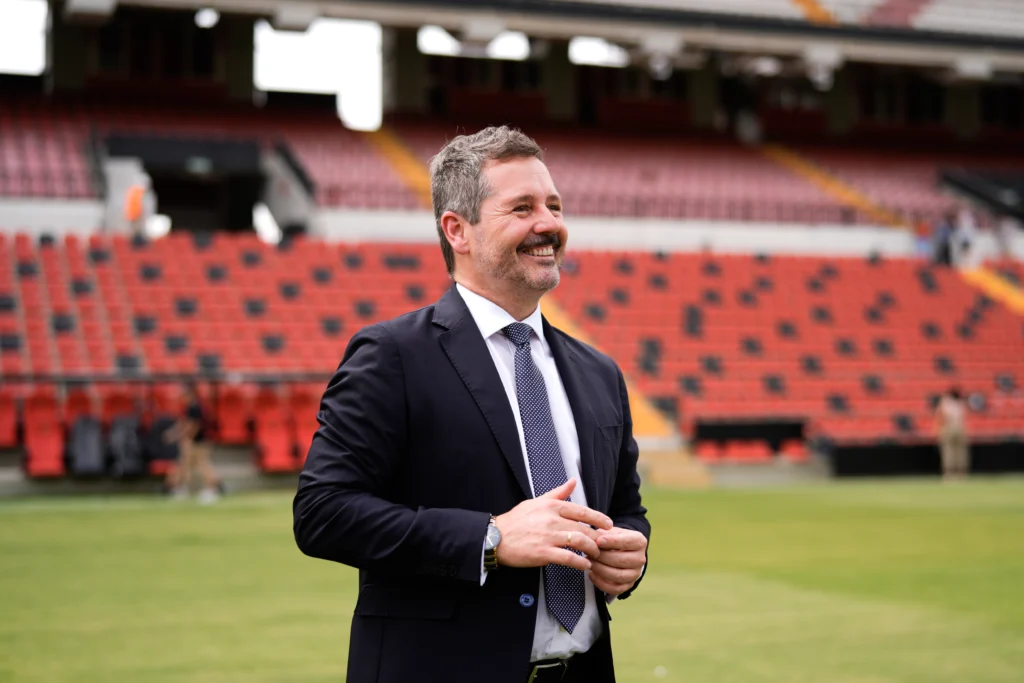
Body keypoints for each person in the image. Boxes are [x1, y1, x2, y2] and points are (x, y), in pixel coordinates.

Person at [294, 126, 650, 683]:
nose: (549, 224)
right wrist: (490, 539)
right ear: (457, 230)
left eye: (554, 205)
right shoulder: (393, 356)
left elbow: (627, 509)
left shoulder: (599, 372)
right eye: (523, 208)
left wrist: (632, 553)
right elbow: (323, 513)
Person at [164, 383, 221, 503]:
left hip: (200, 441)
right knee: (186, 464)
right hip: (197, 440)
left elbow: (193, 427)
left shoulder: (195, 407)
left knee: (202, 464)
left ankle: (213, 488)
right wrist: (175, 434)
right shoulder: (191, 407)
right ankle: (182, 488)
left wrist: (185, 439)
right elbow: (184, 424)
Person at [935, 387, 969, 480]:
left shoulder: (945, 403)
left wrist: (940, 429)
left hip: (948, 428)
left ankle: (949, 474)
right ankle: (961, 473)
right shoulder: (960, 403)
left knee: (949, 452)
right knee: (960, 452)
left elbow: (941, 416)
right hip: (959, 428)